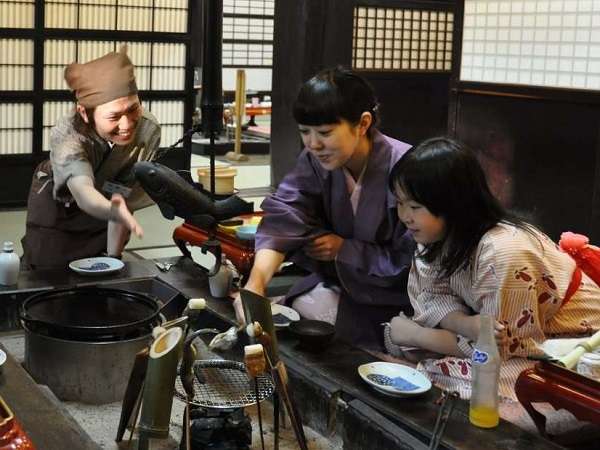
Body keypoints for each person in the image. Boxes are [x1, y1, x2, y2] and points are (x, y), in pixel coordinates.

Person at [385, 136, 600, 399]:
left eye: (415, 206)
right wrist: (466, 324)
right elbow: (433, 296)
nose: (404, 216)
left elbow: (498, 346)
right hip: (505, 337)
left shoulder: (504, 251)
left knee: (484, 382)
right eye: (399, 203)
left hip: (574, 340)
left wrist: (418, 336)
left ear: (452, 204)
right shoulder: (430, 235)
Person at [234, 67, 415, 350]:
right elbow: (285, 216)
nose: (314, 144)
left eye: (325, 132)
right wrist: (255, 285)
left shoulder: (406, 167)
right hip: (340, 285)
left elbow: (415, 260)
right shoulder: (315, 160)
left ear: (363, 123)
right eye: (305, 132)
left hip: (395, 300)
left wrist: (345, 249)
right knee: (291, 321)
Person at [22, 46, 163, 270]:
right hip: (60, 202)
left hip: (109, 199)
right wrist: (112, 210)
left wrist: (113, 259)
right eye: (114, 116)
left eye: (133, 109)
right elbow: (83, 192)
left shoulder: (148, 129)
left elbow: (123, 194)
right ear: (84, 112)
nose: (127, 125)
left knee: (103, 269)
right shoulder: (68, 133)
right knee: (47, 269)